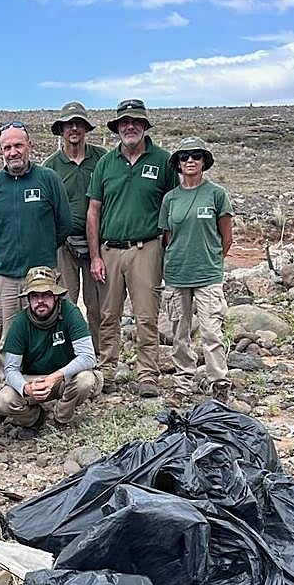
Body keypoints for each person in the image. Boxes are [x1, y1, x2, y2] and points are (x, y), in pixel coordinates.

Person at [86, 99, 178, 398]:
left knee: (146, 315)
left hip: (147, 248)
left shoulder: (163, 161)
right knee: (108, 313)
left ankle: (147, 374)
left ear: (144, 126)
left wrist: (165, 245)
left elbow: (173, 205)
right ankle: (107, 370)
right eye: (124, 122)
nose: (130, 126)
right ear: (117, 128)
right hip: (110, 250)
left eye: (135, 122)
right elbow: (94, 211)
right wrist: (95, 255)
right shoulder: (105, 163)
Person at [0, 121, 71, 358]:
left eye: (18, 145)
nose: (13, 152)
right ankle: (8, 386)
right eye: (7, 147)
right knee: (8, 333)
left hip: (42, 275)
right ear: (1, 151)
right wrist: (7, 248)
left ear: (29, 145)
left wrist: (42, 249)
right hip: (6, 275)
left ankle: (48, 383)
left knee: (47, 330)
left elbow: (64, 224)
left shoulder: (48, 179)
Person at [159, 136, 234, 404]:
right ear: (177, 163)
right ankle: (182, 384)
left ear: (204, 161)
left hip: (208, 275)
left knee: (212, 331)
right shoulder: (171, 199)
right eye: (184, 156)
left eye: (196, 156)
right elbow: (166, 237)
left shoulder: (216, 194)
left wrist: (211, 260)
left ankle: (219, 383)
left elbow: (226, 237)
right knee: (179, 333)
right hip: (177, 274)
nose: (190, 160)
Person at [0, 267, 100, 437]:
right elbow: (11, 369)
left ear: (56, 296)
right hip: (33, 379)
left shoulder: (71, 312)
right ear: (28, 299)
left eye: (46, 295)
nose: (40, 301)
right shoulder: (20, 323)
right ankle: (35, 419)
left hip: (63, 377)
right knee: (3, 401)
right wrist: (26, 388)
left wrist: (54, 377)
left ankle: (61, 418)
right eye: (34, 296)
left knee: (86, 379)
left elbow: (88, 357)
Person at [43, 102, 106, 346]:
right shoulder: (50, 167)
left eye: (79, 123)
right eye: (69, 124)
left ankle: (100, 353)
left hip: (97, 244)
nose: (74, 129)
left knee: (97, 303)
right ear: (61, 130)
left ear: (86, 128)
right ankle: (68, 352)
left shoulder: (102, 159)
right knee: (65, 301)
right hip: (64, 244)